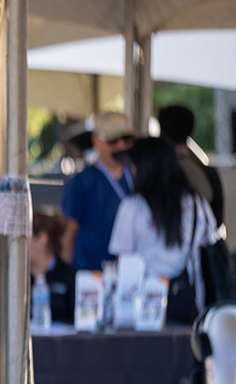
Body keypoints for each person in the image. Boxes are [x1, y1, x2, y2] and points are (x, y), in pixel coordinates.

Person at [109, 137, 217, 321]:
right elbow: (212, 248)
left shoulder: (132, 207)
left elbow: (123, 263)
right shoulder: (198, 204)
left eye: (134, 166)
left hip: (141, 308)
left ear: (145, 169)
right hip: (190, 306)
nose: (132, 171)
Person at [59, 112, 136, 271]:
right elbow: (69, 234)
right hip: (92, 275)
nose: (121, 146)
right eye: (113, 140)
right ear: (96, 140)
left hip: (131, 273)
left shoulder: (139, 176)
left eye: (127, 139)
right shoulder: (82, 181)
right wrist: (66, 278)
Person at [158, 105, 224, 227]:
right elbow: (217, 220)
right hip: (200, 243)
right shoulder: (207, 172)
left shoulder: (154, 170)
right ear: (191, 130)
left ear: (161, 131)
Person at [29, 214, 77, 324]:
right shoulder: (18, 279)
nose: (18, 244)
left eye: (24, 238)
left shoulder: (71, 276)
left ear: (42, 240)